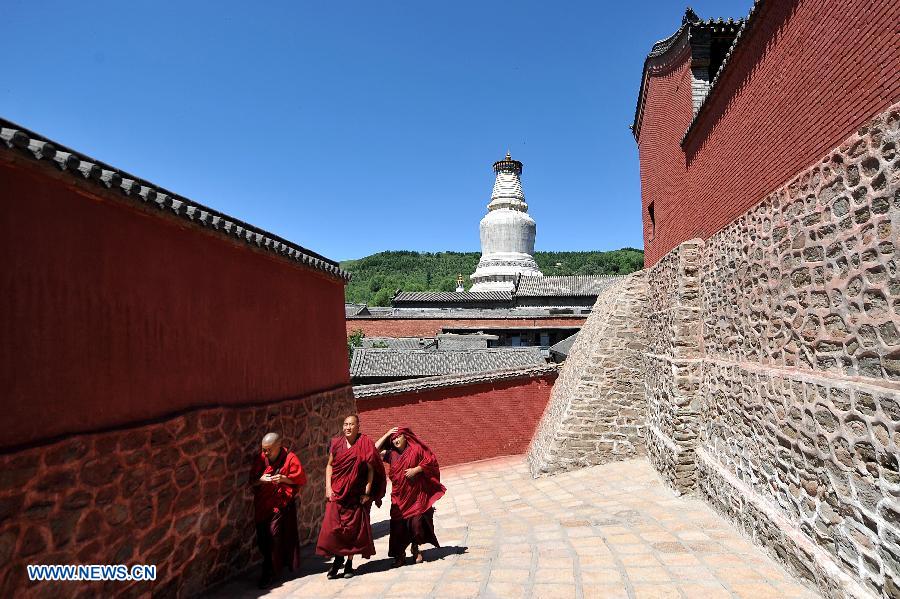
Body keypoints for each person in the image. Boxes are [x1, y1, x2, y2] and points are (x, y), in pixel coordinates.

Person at [315, 414, 386, 579]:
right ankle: (337, 559)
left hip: (356, 495)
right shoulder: (337, 443)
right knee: (333, 528)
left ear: (358, 426)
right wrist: (328, 487)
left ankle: (348, 563)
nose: (348, 427)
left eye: (351, 424)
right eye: (345, 424)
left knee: (353, 530)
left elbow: (370, 469)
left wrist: (368, 492)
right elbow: (329, 466)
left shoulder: (364, 443)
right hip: (338, 493)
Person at [375, 426, 445, 567]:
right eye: (393, 439)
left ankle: (415, 547)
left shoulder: (416, 450)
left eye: (398, 437)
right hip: (399, 497)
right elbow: (374, 450)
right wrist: (388, 433)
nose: (395, 440)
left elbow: (430, 461)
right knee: (397, 527)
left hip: (415, 496)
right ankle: (399, 555)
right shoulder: (391, 454)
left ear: (405, 437)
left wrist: (416, 470)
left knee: (416, 524)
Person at [249, 432, 307, 589]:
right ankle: (272, 566)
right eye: (264, 449)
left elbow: (300, 479)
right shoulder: (261, 459)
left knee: (274, 535)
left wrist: (283, 479)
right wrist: (260, 480)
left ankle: (269, 571)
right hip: (262, 505)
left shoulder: (290, 458)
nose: (265, 453)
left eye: (269, 450)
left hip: (280, 505)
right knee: (262, 538)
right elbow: (252, 482)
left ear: (278, 446)